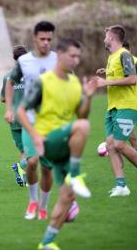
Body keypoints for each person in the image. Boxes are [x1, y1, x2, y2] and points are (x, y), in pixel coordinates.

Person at [17, 39, 95, 250]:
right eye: (72, 55)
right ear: (59, 54)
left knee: (68, 196)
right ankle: (76, 174)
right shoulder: (43, 81)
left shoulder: (75, 82)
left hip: (65, 143)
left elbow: (82, 114)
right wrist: (34, 135)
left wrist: (87, 98)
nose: (76, 60)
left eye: (78, 57)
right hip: (47, 139)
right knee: (83, 127)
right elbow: (21, 111)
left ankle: (47, 242)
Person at [4, 21, 57, 220]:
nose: (45, 43)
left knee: (47, 167)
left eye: (49, 39)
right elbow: (10, 82)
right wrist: (9, 108)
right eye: (42, 39)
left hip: (52, 122)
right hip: (29, 120)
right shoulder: (24, 61)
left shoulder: (58, 60)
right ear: (35, 38)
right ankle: (33, 200)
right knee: (32, 161)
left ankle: (43, 206)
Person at [94, 25, 137, 197]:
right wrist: (107, 75)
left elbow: (132, 79)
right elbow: (120, 76)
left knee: (120, 144)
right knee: (111, 146)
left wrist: (105, 83)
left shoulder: (124, 54)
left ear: (112, 38)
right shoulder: (112, 57)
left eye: (106, 36)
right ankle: (121, 186)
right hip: (112, 106)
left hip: (126, 106)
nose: (104, 39)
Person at [0, 45, 28, 186]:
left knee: (24, 150)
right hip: (29, 118)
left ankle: (24, 174)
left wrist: (9, 110)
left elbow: (4, 98)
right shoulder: (31, 75)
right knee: (33, 150)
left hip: (13, 119)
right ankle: (22, 168)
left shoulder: (7, 77)